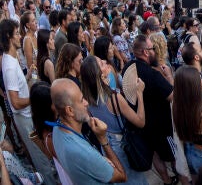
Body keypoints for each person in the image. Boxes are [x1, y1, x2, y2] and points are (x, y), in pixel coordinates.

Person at [0, 19, 57, 184]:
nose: (20, 36)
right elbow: (16, 102)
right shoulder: (9, 65)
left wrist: (26, 77)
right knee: (40, 157)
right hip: (23, 118)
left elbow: (16, 89)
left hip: (26, 115)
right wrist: (34, 97)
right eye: (17, 33)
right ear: (8, 37)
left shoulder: (11, 59)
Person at [81, 56, 149, 184]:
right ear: (99, 75)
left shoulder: (85, 100)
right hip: (121, 146)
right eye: (101, 63)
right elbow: (140, 121)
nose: (106, 62)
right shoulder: (114, 98)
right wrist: (139, 93)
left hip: (105, 147)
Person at [51, 78, 127, 183]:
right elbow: (121, 176)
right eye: (82, 100)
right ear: (70, 110)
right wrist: (103, 139)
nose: (86, 103)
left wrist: (98, 162)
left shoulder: (56, 129)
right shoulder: (84, 153)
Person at [124, 35, 176, 185]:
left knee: (155, 155)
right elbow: (172, 95)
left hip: (144, 124)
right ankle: (181, 177)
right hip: (162, 125)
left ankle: (166, 180)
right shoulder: (153, 75)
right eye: (152, 48)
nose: (155, 51)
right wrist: (169, 77)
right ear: (146, 52)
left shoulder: (128, 67)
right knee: (173, 155)